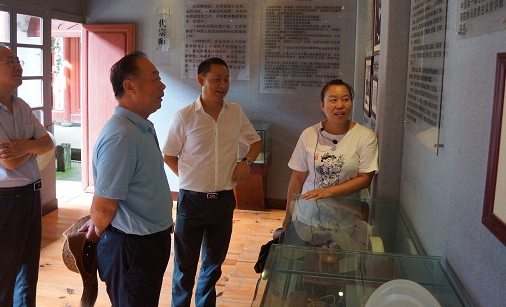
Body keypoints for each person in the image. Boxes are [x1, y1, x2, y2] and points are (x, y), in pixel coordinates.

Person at [163, 57, 262, 307]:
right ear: (201, 79)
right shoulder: (185, 116)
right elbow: (169, 154)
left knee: (213, 264)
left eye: (226, 79)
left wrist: (246, 162)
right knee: (184, 266)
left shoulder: (235, 112)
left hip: (223, 201)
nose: (223, 85)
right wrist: (190, 177)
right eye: (217, 79)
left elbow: (255, 141)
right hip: (191, 202)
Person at [80, 51, 173, 307]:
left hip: (147, 243)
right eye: (155, 79)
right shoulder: (122, 135)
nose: (162, 86)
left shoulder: (138, 127)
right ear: (130, 87)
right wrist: (97, 229)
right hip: (131, 249)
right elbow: (104, 206)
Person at [0, 44, 54, 306]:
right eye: (10, 61)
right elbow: (10, 162)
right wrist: (32, 145)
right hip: (0, 202)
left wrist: (23, 146)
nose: (18, 66)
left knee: (27, 276)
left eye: (18, 60)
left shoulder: (21, 105)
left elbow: (47, 143)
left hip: (30, 197)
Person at [283, 79, 378, 230]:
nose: (340, 105)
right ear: (322, 105)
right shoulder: (309, 134)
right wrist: (288, 217)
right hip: (307, 217)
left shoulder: (365, 136)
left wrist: (328, 192)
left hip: (346, 218)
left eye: (345, 99)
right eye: (333, 100)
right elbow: (297, 178)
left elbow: (365, 178)